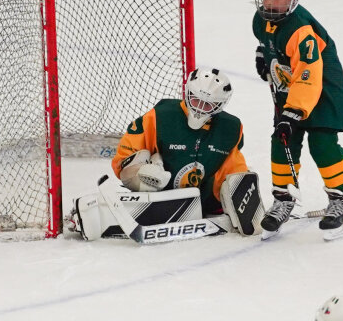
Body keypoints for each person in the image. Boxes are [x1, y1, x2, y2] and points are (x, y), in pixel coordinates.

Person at [68, 68, 263, 241]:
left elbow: (232, 166)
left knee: (239, 178)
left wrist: (241, 190)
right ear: (187, 93)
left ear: (220, 105)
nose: (199, 108)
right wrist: (141, 171)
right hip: (157, 194)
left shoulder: (231, 128)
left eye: (207, 105)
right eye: (195, 100)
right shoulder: (161, 116)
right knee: (144, 165)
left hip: (205, 201)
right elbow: (124, 158)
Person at [252, 0, 343, 240]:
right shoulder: (260, 19)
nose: (270, 1)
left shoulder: (301, 30)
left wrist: (293, 111)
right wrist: (263, 54)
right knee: (282, 140)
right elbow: (268, 41)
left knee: (322, 143)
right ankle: (283, 199)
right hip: (291, 87)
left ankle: (341, 202)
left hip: (322, 90)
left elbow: (309, 75)